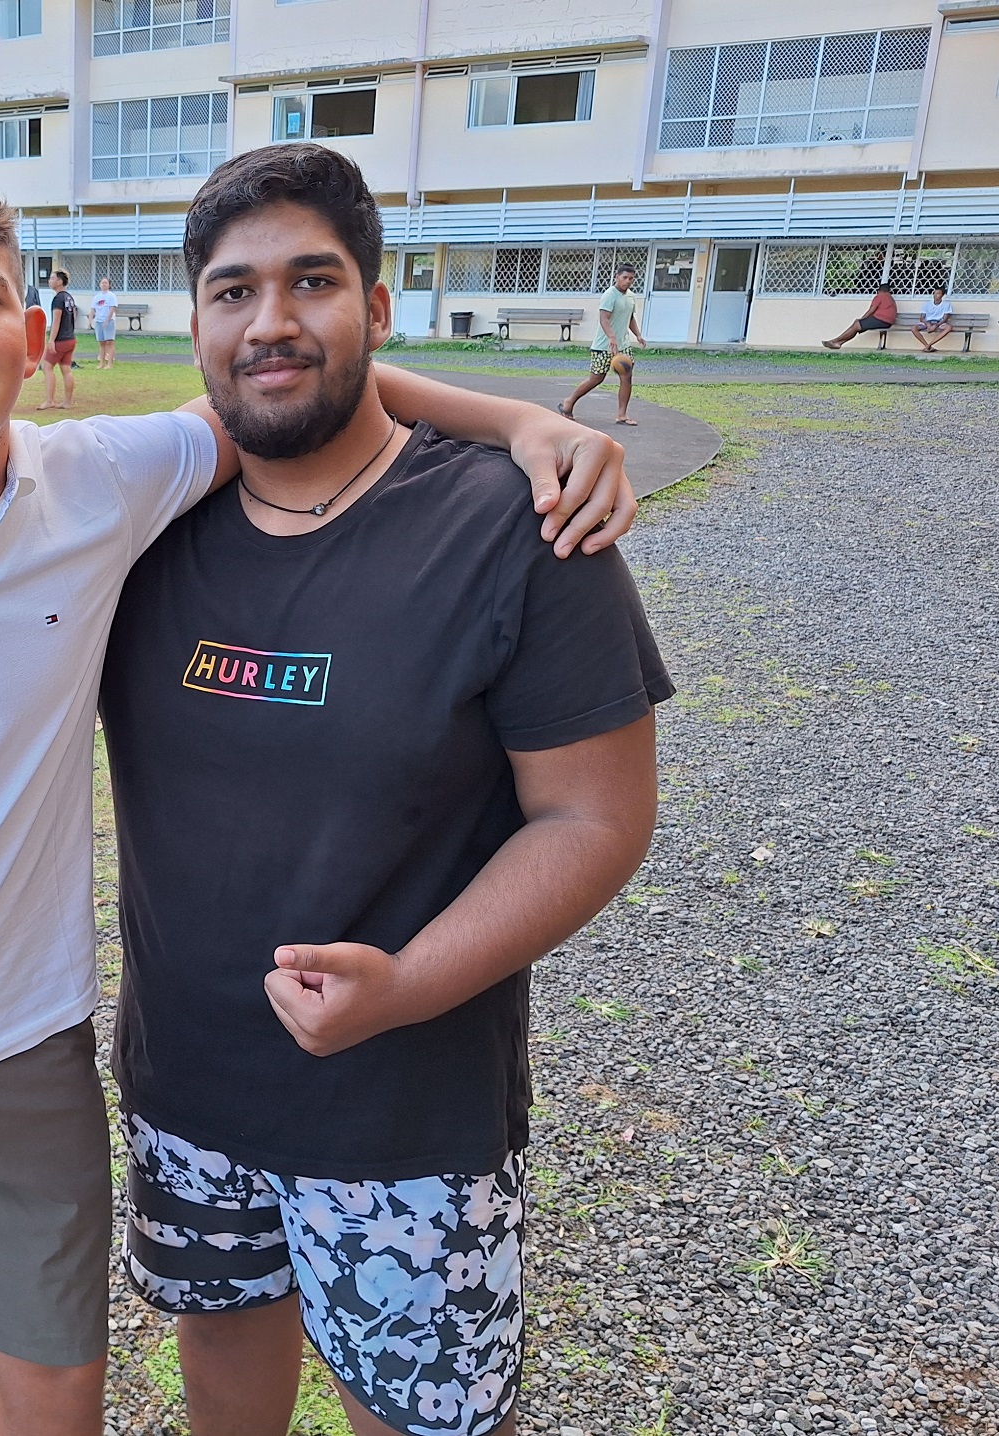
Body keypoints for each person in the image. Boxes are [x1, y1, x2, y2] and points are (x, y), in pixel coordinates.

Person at [0, 156, 636, 1435]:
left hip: (67, 1057)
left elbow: (289, 383)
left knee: (73, 1392)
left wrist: (517, 424)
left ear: (26, 326)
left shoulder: (106, 487)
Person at [98, 143, 669, 1436]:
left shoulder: (519, 528)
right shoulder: (139, 524)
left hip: (411, 1115)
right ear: (195, 323)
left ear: (378, 304)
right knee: (220, 1380)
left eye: (312, 282)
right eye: (233, 291)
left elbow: (594, 817)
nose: (271, 321)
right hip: (188, 1091)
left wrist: (406, 984)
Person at [559, 264, 646, 427]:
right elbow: (604, 318)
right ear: (616, 277)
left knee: (626, 377)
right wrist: (611, 337)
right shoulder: (609, 295)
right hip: (603, 347)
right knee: (596, 379)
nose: (628, 281)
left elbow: (630, 318)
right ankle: (569, 402)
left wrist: (638, 335)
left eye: (631, 279)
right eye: (624, 278)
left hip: (623, 346)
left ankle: (622, 415)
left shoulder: (631, 296)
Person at [37, 268, 79, 410]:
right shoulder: (69, 298)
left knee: (47, 367)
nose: (50, 281)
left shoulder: (58, 299)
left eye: (52, 278)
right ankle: (67, 402)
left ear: (60, 281)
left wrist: (51, 340)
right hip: (70, 338)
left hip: (61, 340)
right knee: (66, 369)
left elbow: (56, 321)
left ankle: (50, 400)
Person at [823, 282, 898, 350]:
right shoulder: (890, 298)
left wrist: (861, 319)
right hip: (887, 322)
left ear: (879, 290)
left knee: (856, 324)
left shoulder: (880, 296)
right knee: (856, 327)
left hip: (881, 320)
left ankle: (835, 341)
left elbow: (871, 311)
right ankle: (838, 343)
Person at [911, 286, 954, 353]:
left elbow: (945, 319)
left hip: (939, 323)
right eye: (934, 293)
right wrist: (928, 324)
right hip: (927, 322)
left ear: (942, 295)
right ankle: (927, 346)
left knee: (949, 327)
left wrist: (936, 325)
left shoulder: (946, 304)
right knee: (913, 328)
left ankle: (929, 345)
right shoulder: (927, 304)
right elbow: (922, 318)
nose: (935, 295)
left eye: (938, 293)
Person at [91, 276, 118, 369]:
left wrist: (107, 320)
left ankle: (110, 364)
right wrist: (90, 320)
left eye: (106, 283)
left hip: (109, 321)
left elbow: (112, 308)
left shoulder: (111, 296)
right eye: (102, 283)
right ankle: (102, 363)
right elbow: (93, 309)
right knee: (101, 343)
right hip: (99, 321)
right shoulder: (96, 297)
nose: (104, 284)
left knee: (109, 342)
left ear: (109, 285)